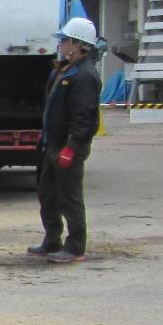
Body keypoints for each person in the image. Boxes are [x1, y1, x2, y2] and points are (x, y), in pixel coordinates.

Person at [32, 16, 102, 265]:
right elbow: (52, 107)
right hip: (54, 144)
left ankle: (75, 246)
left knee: (69, 196)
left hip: (68, 146)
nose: (61, 45)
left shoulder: (84, 77)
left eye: (64, 40)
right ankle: (52, 239)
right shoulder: (65, 70)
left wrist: (72, 147)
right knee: (47, 193)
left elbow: (84, 117)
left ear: (77, 44)